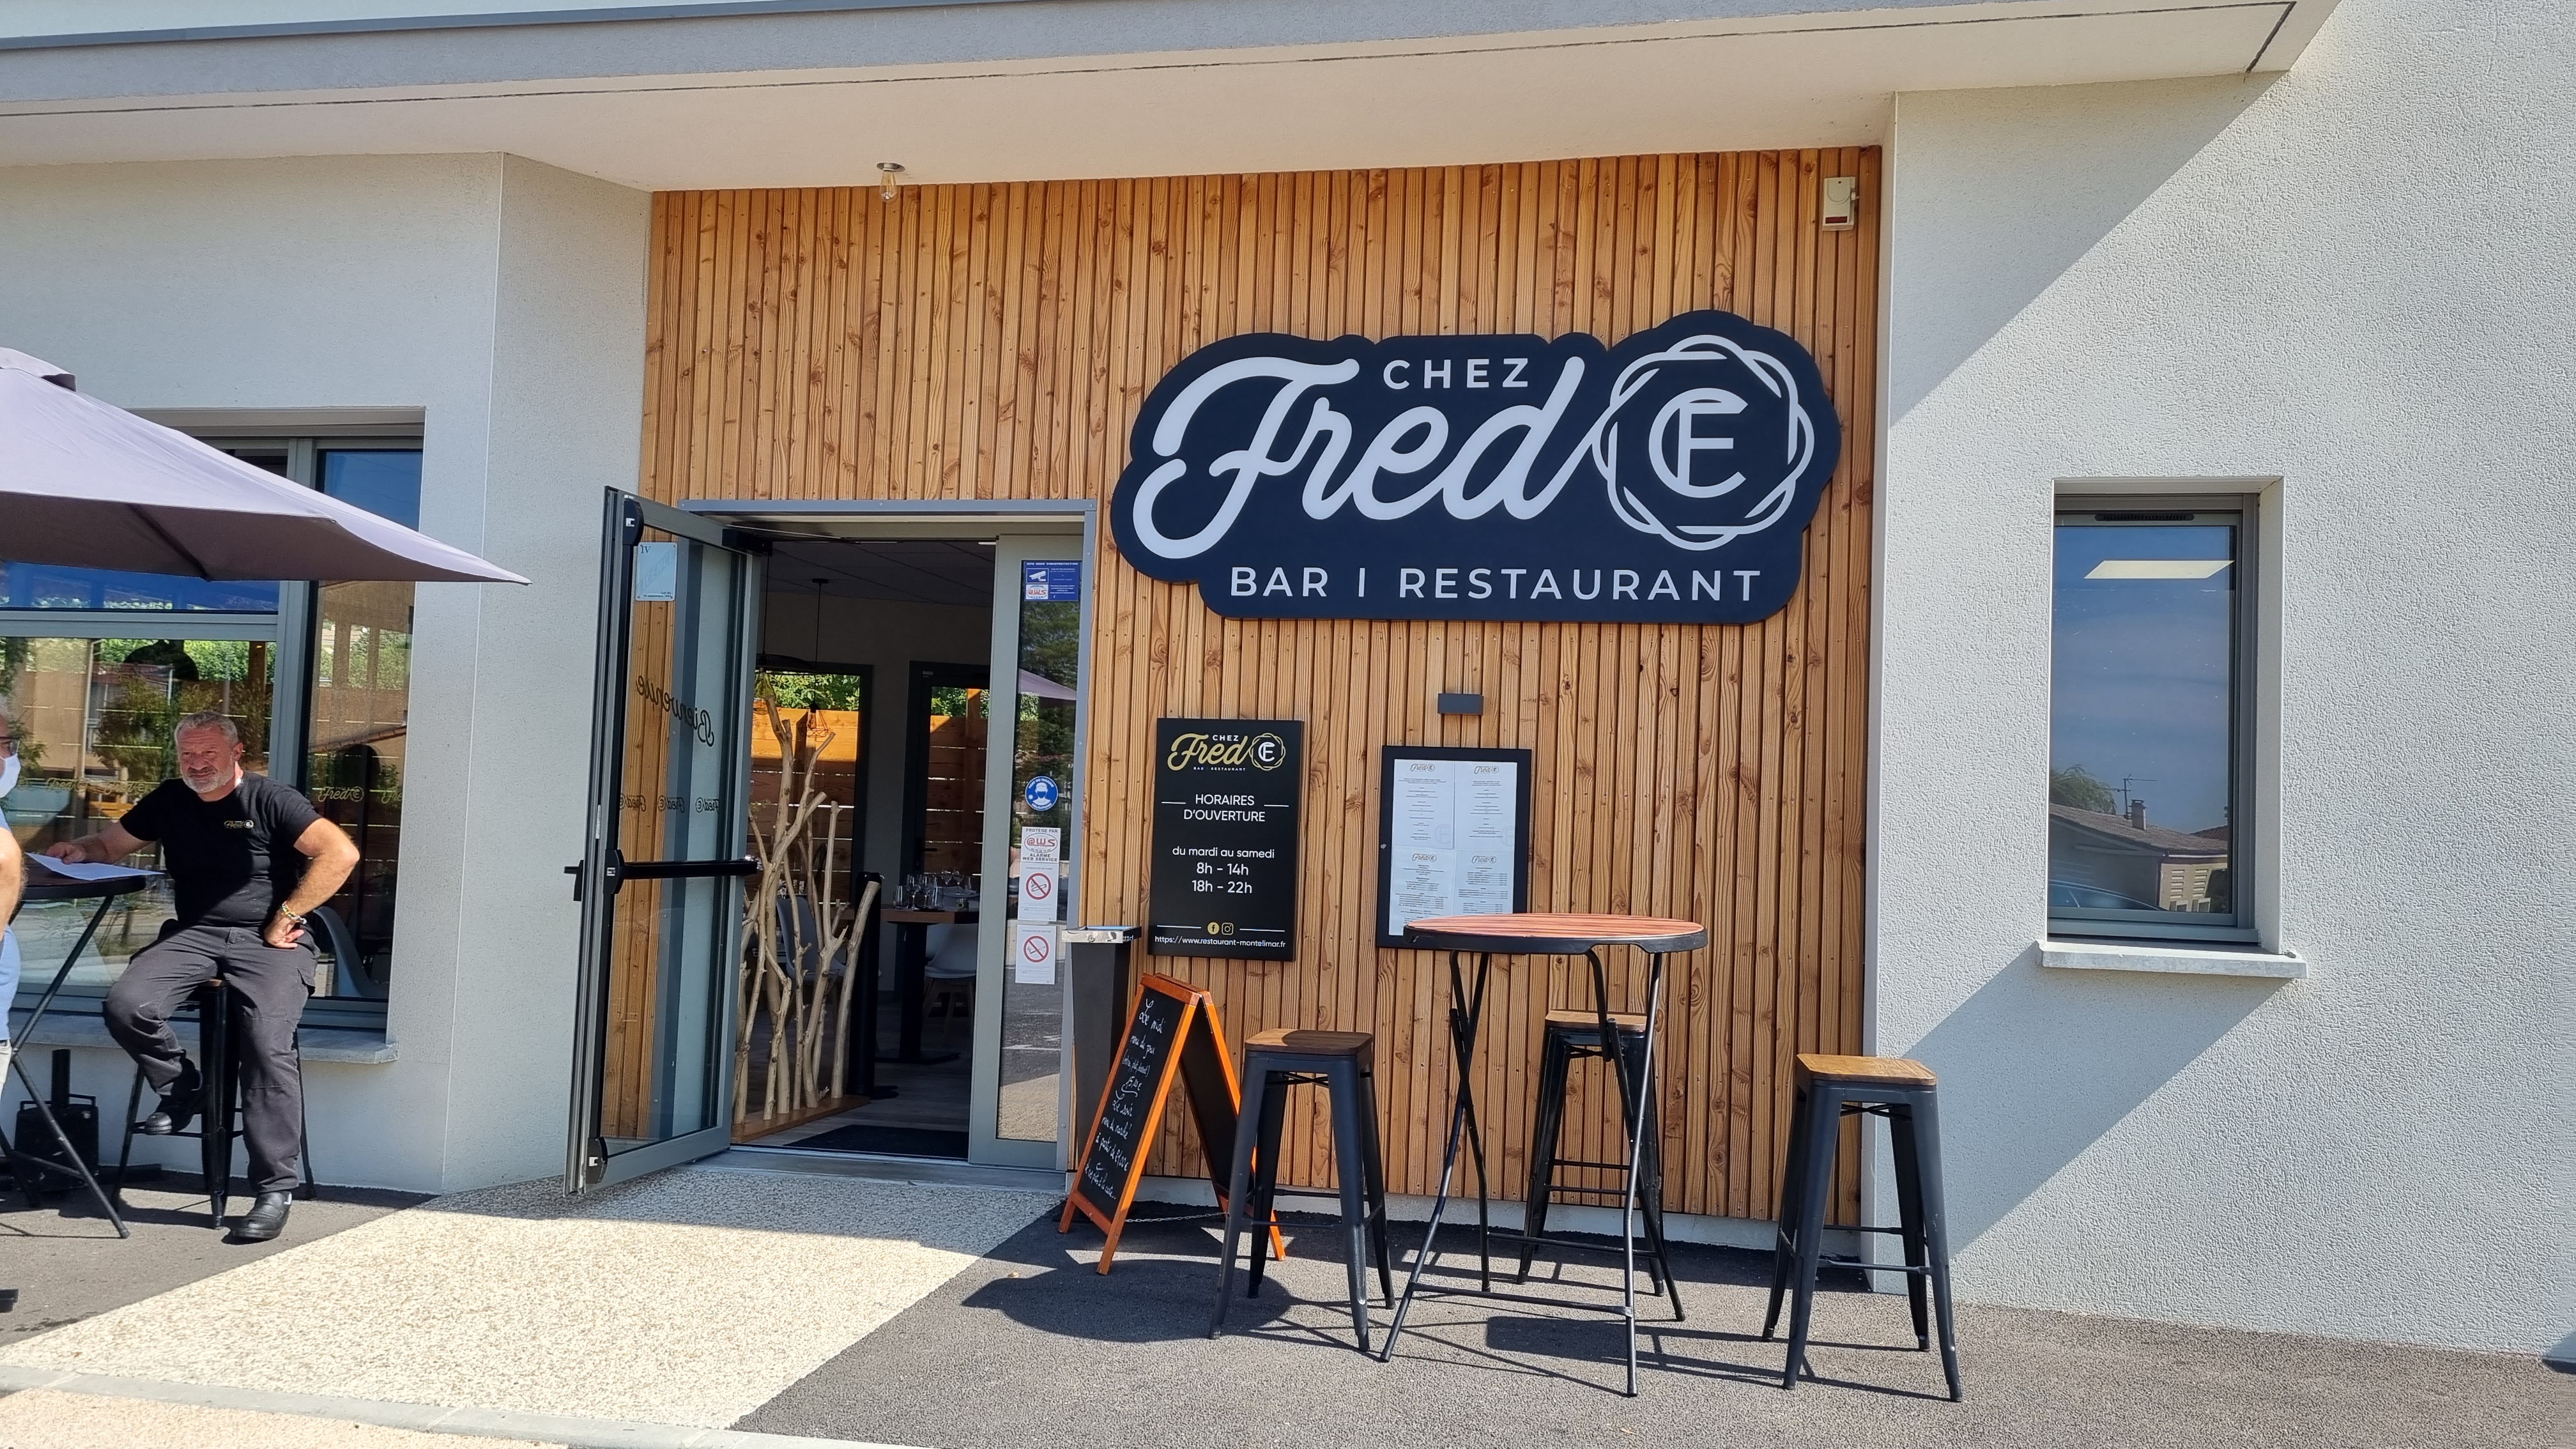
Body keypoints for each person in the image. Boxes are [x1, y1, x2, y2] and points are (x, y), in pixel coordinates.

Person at [47, 710, 358, 1241]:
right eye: (187, 754)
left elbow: (340, 852)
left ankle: (273, 1189)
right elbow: (111, 845)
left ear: (236, 753)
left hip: (268, 940)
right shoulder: (171, 799)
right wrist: (81, 850)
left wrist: (289, 913)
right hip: (194, 934)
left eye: (208, 753)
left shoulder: (271, 799)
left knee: (265, 1043)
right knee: (127, 1004)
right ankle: (184, 1087)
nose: (196, 764)